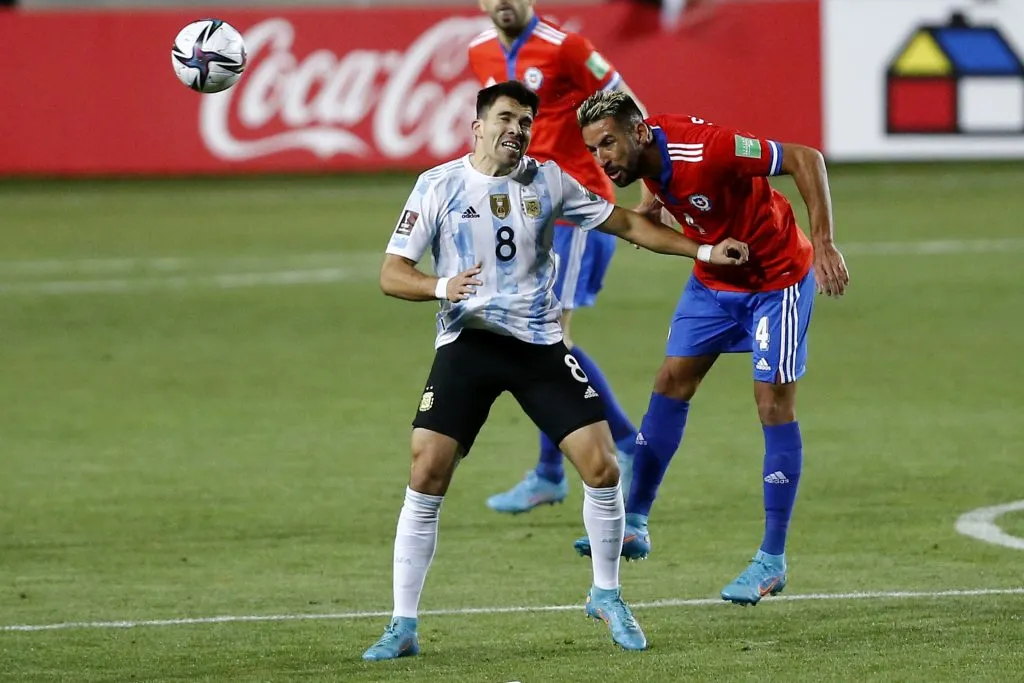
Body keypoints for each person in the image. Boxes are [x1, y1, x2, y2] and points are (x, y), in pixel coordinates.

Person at [361, 81, 749, 661]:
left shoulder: (548, 180)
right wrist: (442, 286)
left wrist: (703, 251)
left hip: (539, 347)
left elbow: (626, 224)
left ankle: (607, 594)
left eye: (526, 122)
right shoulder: (437, 185)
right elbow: (393, 273)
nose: (517, 130)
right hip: (469, 344)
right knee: (427, 470)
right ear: (478, 126)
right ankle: (403, 623)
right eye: (507, 118)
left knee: (602, 466)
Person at [571, 91, 850, 605]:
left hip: (775, 281)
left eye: (607, 143)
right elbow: (662, 183)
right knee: (670, 381)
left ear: (637, 134)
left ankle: (771, 560)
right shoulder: (645, 152)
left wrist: (825, 239)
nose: (602, 158)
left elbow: (804, 156)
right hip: (713, 280)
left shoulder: (710, 149)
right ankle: (634, 521)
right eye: (593, 150)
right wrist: (651, 206)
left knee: (771, 404)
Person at [469, 0, 657, 513]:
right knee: (538, 341)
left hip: (578, 212)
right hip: (525, 215)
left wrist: (652, 181)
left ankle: (614, 446)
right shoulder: (480, 52)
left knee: (552, 340)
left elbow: (628, 105)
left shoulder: (567, 47)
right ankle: (555, 472)